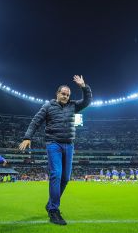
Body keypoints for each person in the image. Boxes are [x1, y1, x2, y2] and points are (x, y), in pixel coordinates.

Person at [19, 75, 92, 226]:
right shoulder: (47, 106)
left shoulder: (73, 105)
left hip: (69, 145)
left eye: (67, 94)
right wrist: (27, 137)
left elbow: (87, 101)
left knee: (65, 178)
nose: (65, 96)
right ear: (57, 94)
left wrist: (84, 86)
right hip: (53, 144)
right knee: (56, 174)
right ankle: (53, 210)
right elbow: (35, 121)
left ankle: (50, 204)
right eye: (63, 93)